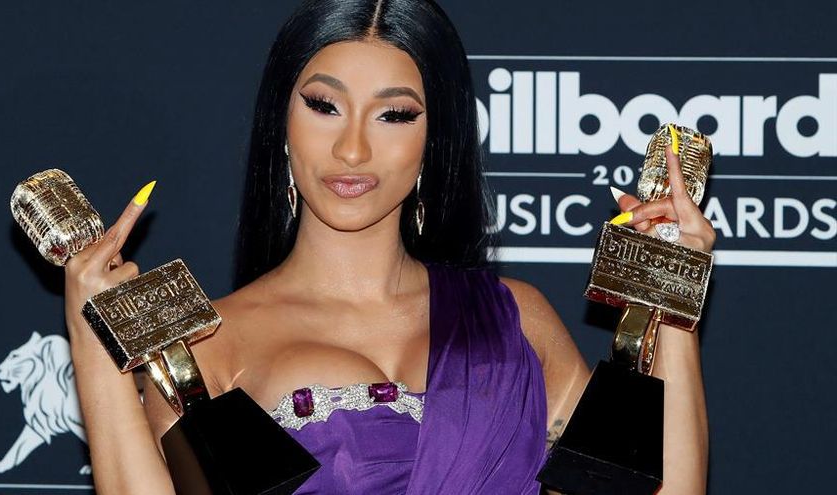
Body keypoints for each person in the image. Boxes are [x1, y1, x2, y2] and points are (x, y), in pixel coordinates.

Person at [63, 0, 713, 493]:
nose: (352, 149)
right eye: (324, 106)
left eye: (394, 114)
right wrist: (94, 339)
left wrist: (672, 294)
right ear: (282, 122)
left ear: (436, 138)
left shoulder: (512, 320)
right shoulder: (210, 345)